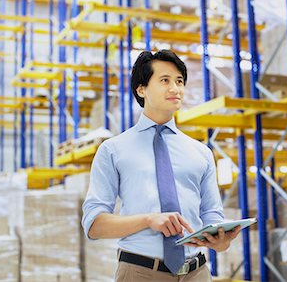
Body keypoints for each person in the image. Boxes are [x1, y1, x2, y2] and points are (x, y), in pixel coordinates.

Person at [82, 50, 241, 281]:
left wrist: (221, 241)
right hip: (141, 273)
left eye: (179, 81)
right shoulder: (113, 150)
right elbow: (94, 225)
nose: (175, 88)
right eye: (165, 80)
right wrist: (148, 220)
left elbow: (211, 214)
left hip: (197, 273)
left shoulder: (201, 152)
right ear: (141, 89)